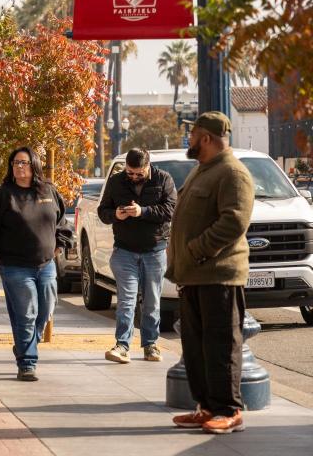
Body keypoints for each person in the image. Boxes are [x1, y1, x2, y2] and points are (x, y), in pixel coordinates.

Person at [167, 112, 253, 434]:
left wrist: (195, 250)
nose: (188, 139)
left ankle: (229, 411)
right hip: (193, 276)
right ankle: (206, 407)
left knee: (221, 347)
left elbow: (233, 222)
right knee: (196, 349)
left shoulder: (233, 173)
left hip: (219, 276)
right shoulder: (202, 170)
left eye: (192, 134)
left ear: (206, 138)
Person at [0, 147, 66, 382]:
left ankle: (25, 345)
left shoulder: (48, 190)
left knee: (46, 310)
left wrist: (60, 246)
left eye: (23, 162)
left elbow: (61, 222)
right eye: (15, 163)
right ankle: (27, 363)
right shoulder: (4, 194)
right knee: (26, 314)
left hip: (46, 265)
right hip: (15, 267)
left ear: (34, 165)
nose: (19, 166)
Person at [97, 148, 176, 364]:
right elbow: (103, 211)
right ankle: (122, 345)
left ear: (148, 166)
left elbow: (170, 210)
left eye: (138, 173)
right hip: (124, 251)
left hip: (155, 251)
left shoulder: (163, 179)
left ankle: (150, 345)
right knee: (126, 300)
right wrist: (115, 214)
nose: (133, 177)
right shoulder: (116, 181)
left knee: (152, 302)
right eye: (130, 172)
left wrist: (143, 211)